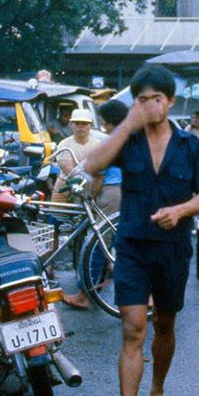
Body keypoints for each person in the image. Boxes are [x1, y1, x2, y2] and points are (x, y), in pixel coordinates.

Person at [84, 65, 199, 396]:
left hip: (173, 250)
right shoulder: (127, 140)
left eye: (155, 99)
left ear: (170, 101)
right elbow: (92, 165)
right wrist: (127, 124)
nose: (148, 106)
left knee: (164, 323)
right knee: (132, 329)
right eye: (141, 99)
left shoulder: (191, 146)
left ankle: (157, 390)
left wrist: (181, 211)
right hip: (132, 247)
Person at [63, 99, 128, 310]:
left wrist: (89, 196)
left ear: (109, 122)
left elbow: (98, 177)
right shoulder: (129, 138)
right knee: (117, 242)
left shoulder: (111, 142)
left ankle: (84, 296)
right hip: (126, 193)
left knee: (98, 244)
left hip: (111, 193)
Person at [51, 109, 101, 202]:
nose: (80, 127)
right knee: (56, 212)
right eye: (77, 123)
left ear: (90, 126)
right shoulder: (64, 144)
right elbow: (68, 171)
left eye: (84, 124)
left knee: (92, 213)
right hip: (66, 183)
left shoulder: (98, 145)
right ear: (71, 125)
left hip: (90, 185)